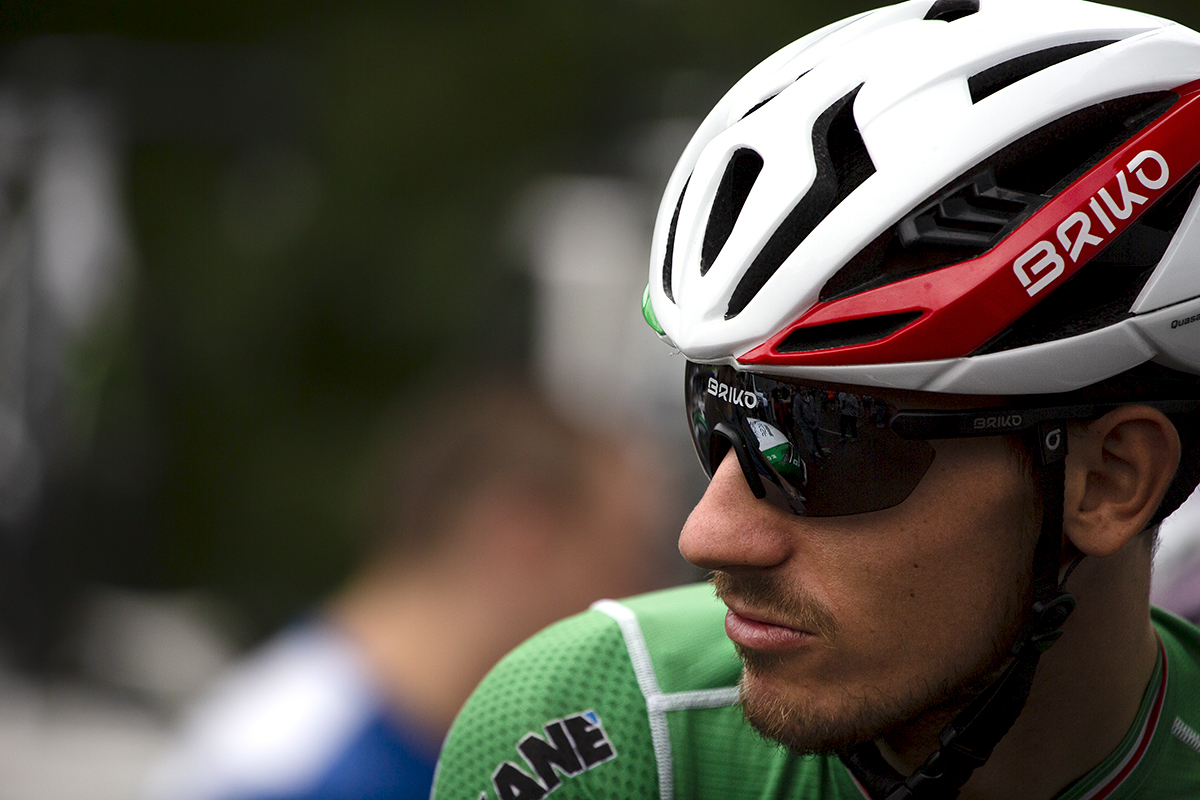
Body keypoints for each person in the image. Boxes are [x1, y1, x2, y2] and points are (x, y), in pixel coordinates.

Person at [431, 1, 1200, 798]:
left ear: (1110, 479)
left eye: (828, 437)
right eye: (717, 412)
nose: (707, 532)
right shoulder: (619, 732)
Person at [144, 380, 671, 800]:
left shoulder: (430, 746)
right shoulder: (293, 773)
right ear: (522, 537)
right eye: (626, 557)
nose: (642, 598)